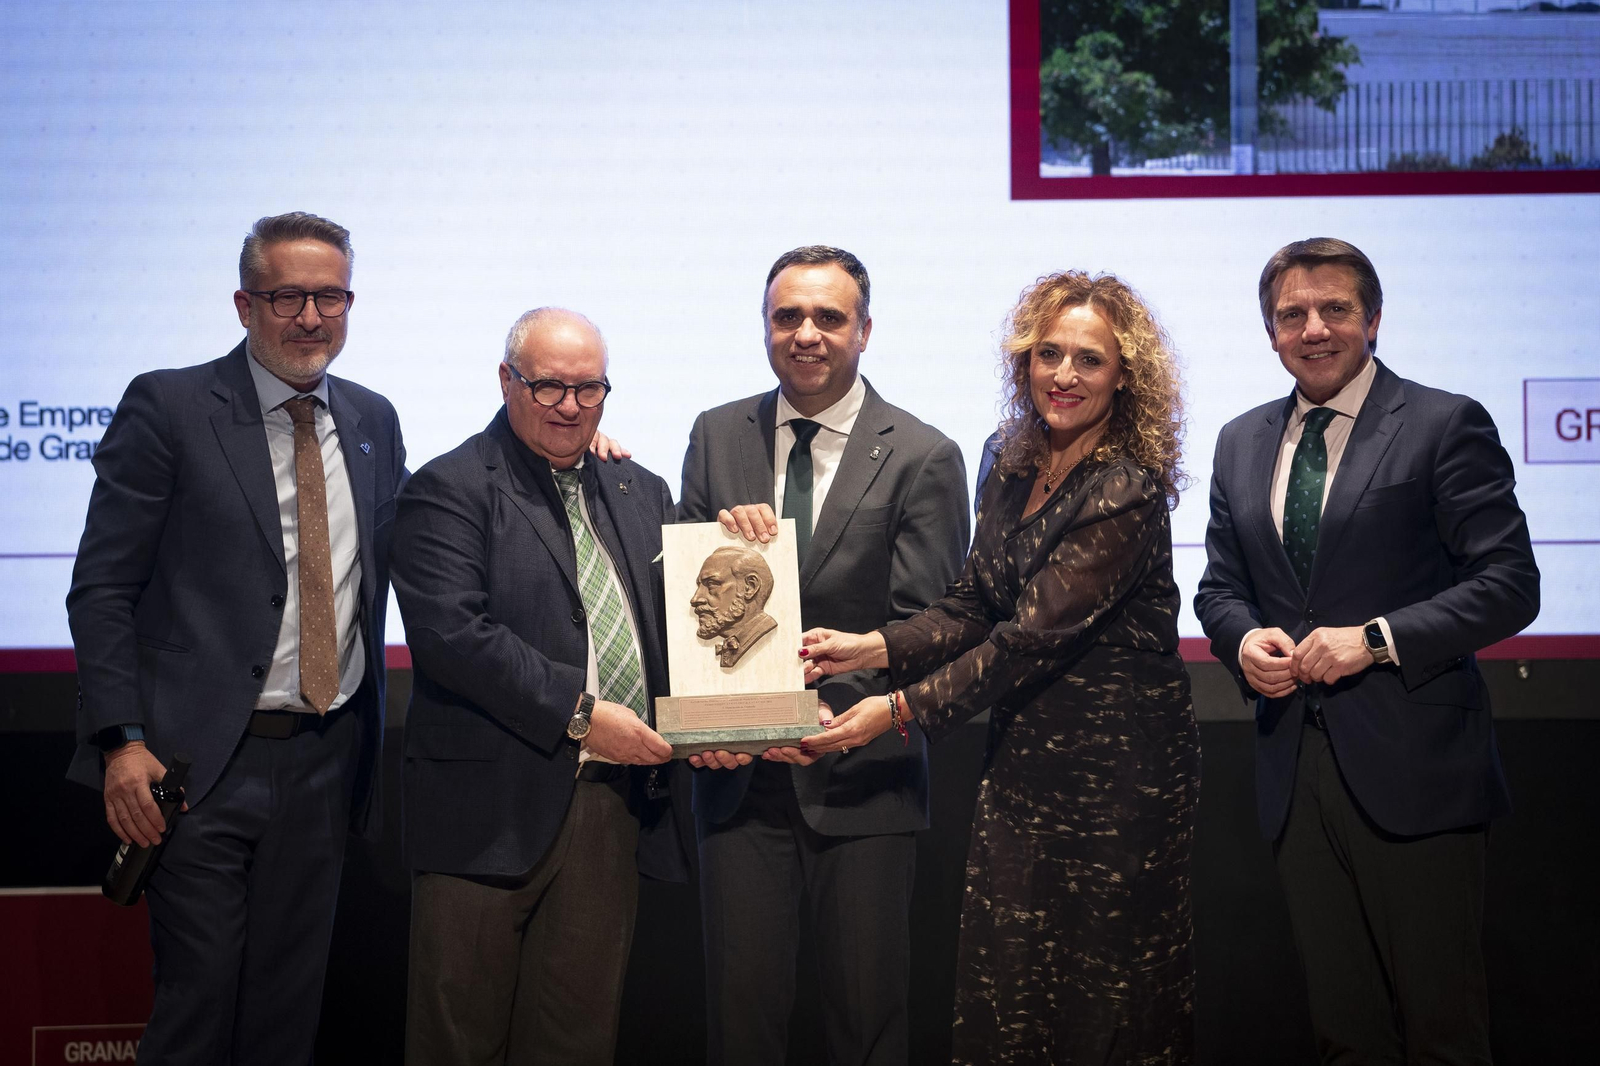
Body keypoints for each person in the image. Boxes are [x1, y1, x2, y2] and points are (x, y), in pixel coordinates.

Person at [801, 271, 1199, 1064]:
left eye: (1089, 359)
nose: (1064, 375)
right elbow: (972, 601)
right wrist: (872, 647)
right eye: (1047, 353)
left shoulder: (1126, 487)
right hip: (1022, 766)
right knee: (1007, 988)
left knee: (1101, 1000)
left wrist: (895, 711)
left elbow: (1026, 637)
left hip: (1117, 785)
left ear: (1127, 376)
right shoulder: (1009, 461)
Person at [65, 211, 405, 1065]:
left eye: (330, 295)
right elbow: (102, 586)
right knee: (199, 1004)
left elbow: (432, 525)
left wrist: (582, 456)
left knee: (288, 1016)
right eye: (287, 295)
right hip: (198, 764)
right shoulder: (170, 405)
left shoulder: (371, 418)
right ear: (244, 304)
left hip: (328, 758)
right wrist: (121, 741)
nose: (310, 316)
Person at [1193, 238, 1538, 1063]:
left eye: (1335, 309)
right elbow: (1217, 588)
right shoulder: (1241, 441)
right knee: (1344, 1032)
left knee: (1442, 1030)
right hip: (1293, 769)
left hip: (1417, 768)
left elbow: (1510, 582)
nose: (1314, 328)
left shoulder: (1443, 422)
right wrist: (1242, 641)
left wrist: (1377, 641)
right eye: (1292, 314)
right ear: (1269, 331)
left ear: (1373, 319)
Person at [679, 245, 970, 1065]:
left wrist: (817, 706)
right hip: (737, 778)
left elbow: (933, 620)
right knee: (740, 1028)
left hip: (863, 778)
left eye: (828, 318)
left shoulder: (923, 454)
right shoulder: (714, 433)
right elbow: (682, 592)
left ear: (865, 330)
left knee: (867, 1024)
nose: (805, 334)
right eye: (786, 317)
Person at [393, 307, 686, 1065]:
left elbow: (687, 622)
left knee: (577, 1042)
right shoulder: (447, 487)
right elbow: (455, 638)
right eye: (548, 386)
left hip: (608, 810)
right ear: (506, 380)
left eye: (588, 389)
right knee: (458, 1041)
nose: (569, 406)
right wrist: (584, 716)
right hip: (484, 816)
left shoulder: (639, 490)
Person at [691, 545, 778, 667]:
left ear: (750, 587)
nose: (695, 599)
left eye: (711, 584)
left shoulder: (773, 641)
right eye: (699, 586)